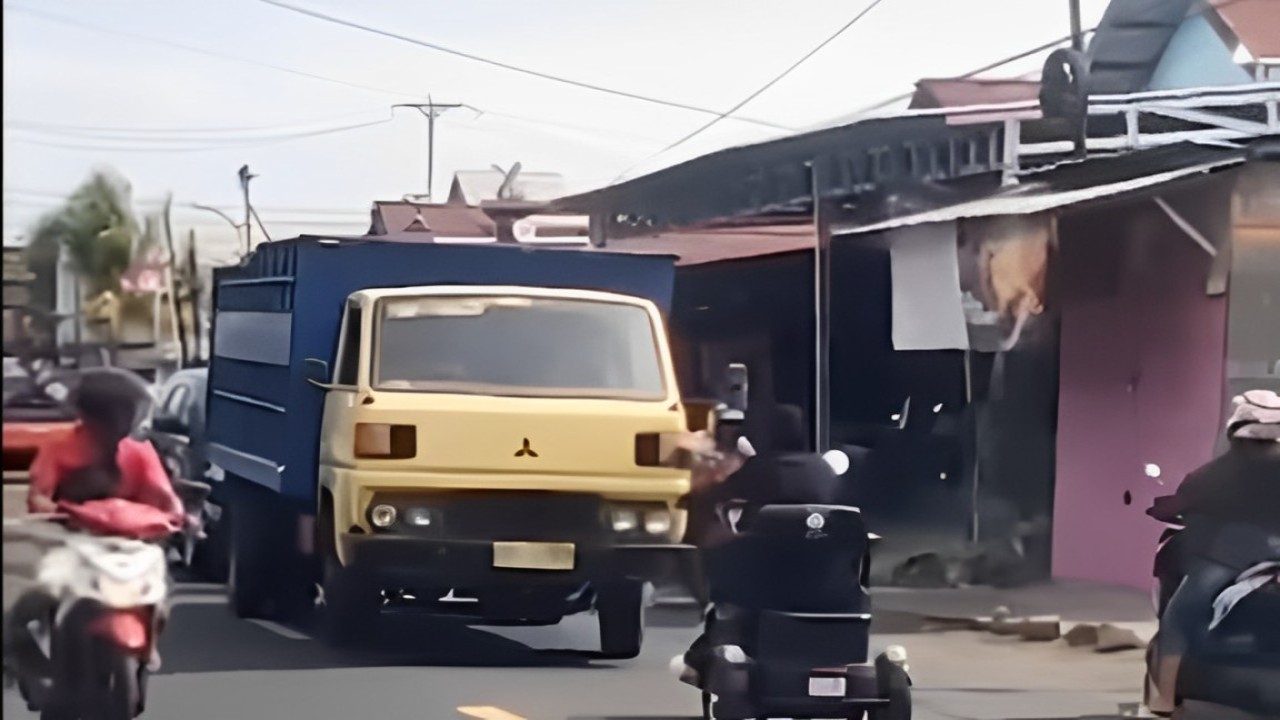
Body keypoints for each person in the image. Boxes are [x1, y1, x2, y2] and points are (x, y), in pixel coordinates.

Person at [1149, 389, 1280, 704]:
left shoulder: (1210, 475)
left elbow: (1187, 508)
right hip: (1241, 558)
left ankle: (1162, 699)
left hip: (1227, 559)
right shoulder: (1213, 474)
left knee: (1180, 615)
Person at [27, 367, 183, 519]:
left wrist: (125, 515)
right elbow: (38, 498)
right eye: (141, 415)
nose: (145, 424)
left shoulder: (139, 452)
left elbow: (167, 505)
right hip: (72, 531)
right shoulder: (60, 448)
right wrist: (73, 514)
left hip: (129, 533)